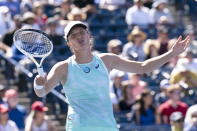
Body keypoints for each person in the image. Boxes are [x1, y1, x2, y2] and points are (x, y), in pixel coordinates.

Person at [34, 21, 190, 131]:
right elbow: (41, 92)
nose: (79, 36)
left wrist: (172, 54)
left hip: (107, 127)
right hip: (79, 127)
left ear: (89, 35)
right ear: (68, 43)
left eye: (82, 32)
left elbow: (143, 67)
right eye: (73, 35)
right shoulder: (62, 68)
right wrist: (38, 83)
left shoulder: (107, 60)